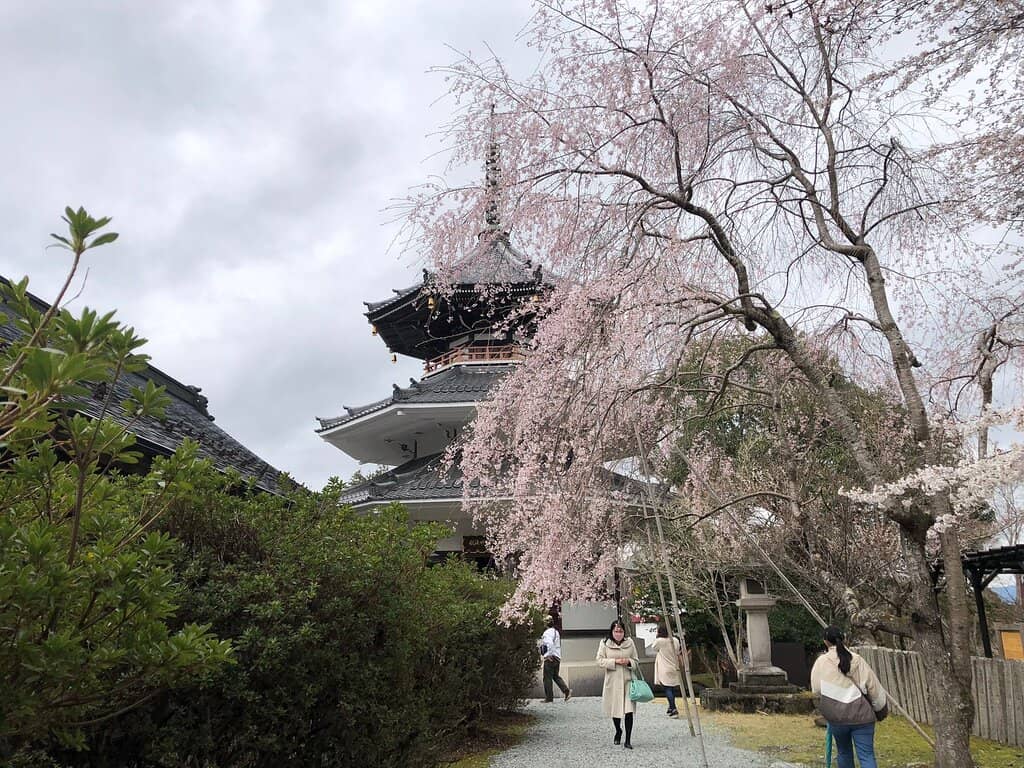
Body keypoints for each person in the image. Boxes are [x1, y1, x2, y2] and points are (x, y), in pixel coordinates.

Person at [810, 626, 888, 768]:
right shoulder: (857, 660)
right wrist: (880, 709)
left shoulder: (821, 662)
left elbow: (816, 689)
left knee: (844, 753)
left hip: (837, 717)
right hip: (862, 716)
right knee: (867, 755)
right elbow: (873, 688)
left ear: (825, 642)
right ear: (844, 639)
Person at [596, 618, 640, 748]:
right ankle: (618, 730)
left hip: (628, 681)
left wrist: (628, 662)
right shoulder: (605, 643)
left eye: (620, 631)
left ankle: (628, 740)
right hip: (613, 681)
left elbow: (636, 661)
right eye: (616, 631)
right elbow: (599, 661)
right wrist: (614, 662)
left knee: (629, 710)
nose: (618, 633)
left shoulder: (630, 643)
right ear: (612, 631)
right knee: (615, 710)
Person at [651, 624, 683, 717]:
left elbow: (654, 648)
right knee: (672, 688)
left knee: (667, 688)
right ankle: (670, 707)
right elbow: (677, 652)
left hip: (664, 667)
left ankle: (673, 708)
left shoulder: (660, 641)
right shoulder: (675, 640)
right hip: (673, 666)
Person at [538, 615, 572, 702]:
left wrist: (548, 655)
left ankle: (549, 698)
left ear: (545, 624)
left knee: (547, 678)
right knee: (555, 676)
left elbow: (549, 644)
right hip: (557, 657)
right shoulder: (556, 632)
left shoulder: (546, 633)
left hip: (551, 658)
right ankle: (566, 690)